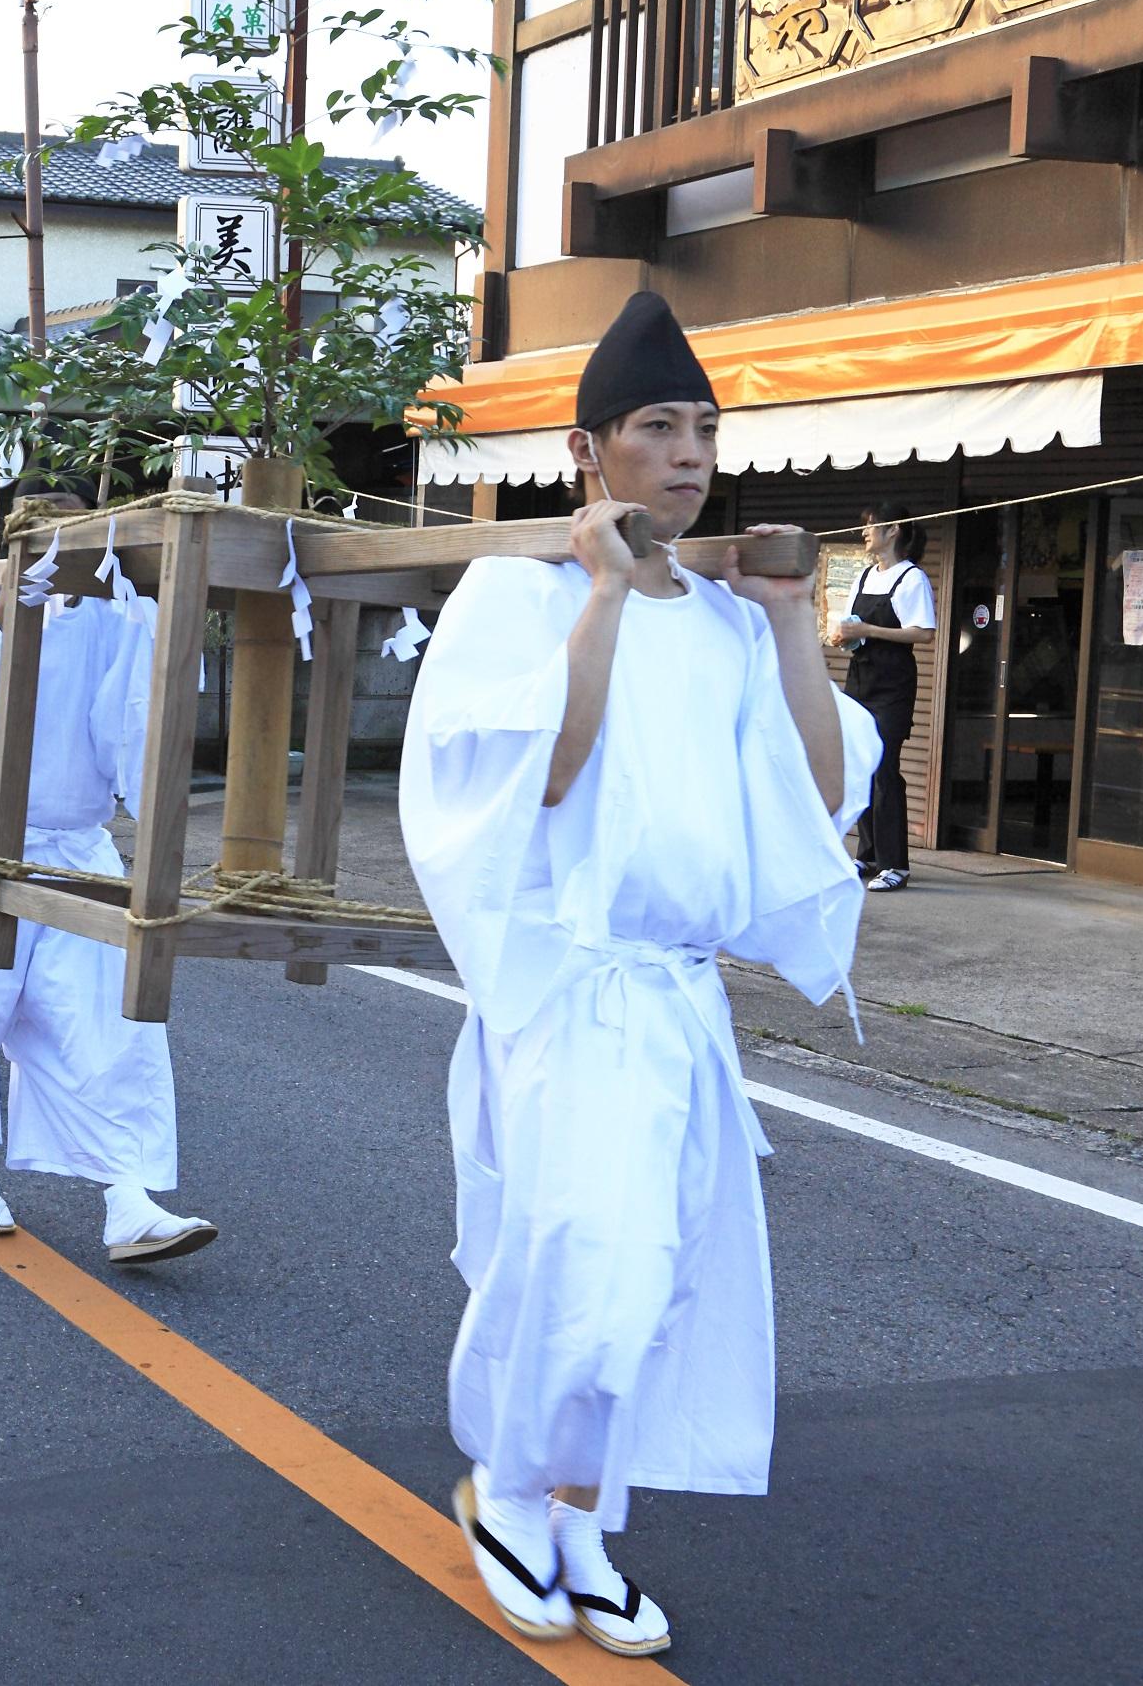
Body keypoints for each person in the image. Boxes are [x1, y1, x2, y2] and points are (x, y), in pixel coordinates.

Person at [400, 292, 877, 1658]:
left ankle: (578, 1512)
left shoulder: (729, 623)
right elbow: (532, 773)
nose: (685, 452)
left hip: (672, 996)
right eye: (655, 426)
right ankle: (504, 1486)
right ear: (586, 444)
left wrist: (790, 619)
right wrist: (604, 590)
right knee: (579, 1253)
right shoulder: (516, 586)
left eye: (702, 429)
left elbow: (817, 792)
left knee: (655, 1268)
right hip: (564, 978)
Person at [0, 480, 216, 1266]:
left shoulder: (110, 608)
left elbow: (145, 708)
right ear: (15, 537)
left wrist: (152, 622)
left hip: (78, 849)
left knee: (106, 1020)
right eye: (44, 534)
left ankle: (126, 1198)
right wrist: (5, 620)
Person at [833, 503, 935, 894]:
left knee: (885, 768)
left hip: (893, 684)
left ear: (893, 531)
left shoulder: (912, 579)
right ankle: (869, 853)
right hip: (859, 677)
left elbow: (923, 633)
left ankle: (896, 865)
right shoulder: (862, 575)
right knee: (859, 765)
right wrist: (844, 635)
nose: (864, 533)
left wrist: (873, 630)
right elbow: (849, 626)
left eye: (871, 527)